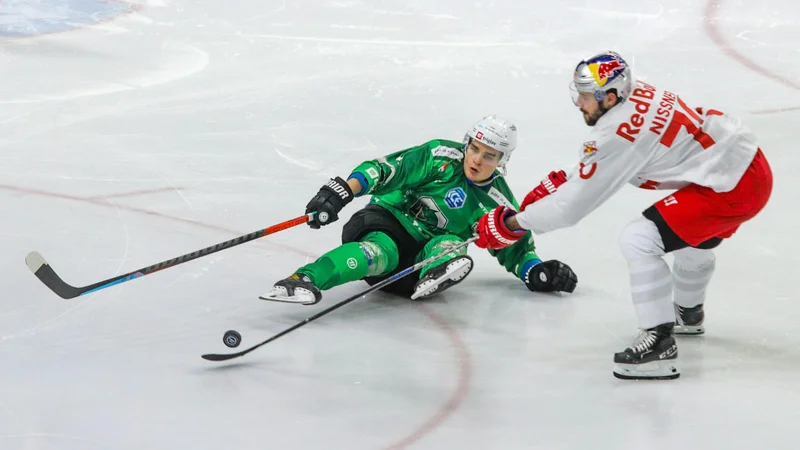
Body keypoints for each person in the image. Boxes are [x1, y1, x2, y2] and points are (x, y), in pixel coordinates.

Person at [473, 52, 773, 380]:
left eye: (585, 96)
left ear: (610, 97)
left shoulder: (617, 134)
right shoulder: (635, 91)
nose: (578, 103)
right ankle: (688, 314)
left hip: (730, 185)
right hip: (739, 164)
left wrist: (511, 225)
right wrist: (569, 177)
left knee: (640, 239)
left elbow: (571, 207)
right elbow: (620, 155)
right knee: (688, 236)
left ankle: (659, 343)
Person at [262, 116, 577, 306]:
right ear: (467, 143)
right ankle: (303, 280)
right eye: (475, 148)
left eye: (490, 156)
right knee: (375, 251)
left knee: (448, 245)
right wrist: (345, 190)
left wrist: (537, 272)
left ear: (502, 161)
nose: (478, 160)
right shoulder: (440, 155)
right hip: (388, 222)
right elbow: (387, 170)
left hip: (413, 271)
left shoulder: (498, 202)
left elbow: (518, 250)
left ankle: (436, 271)